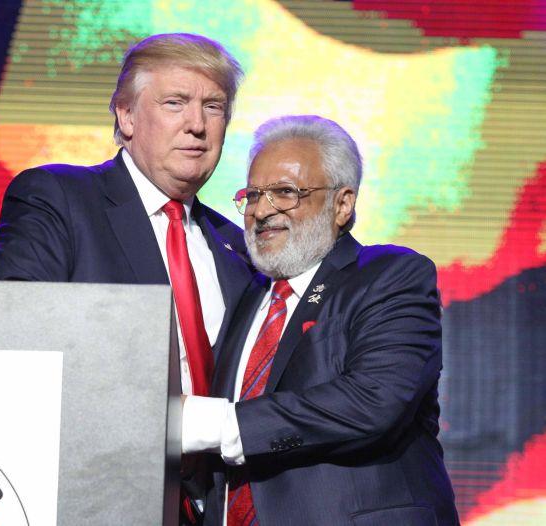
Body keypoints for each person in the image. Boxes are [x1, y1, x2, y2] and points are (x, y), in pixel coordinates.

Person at [0, 33, 255, 521]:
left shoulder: (238, 246)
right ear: (126, 116)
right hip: (90, 494)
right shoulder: (58, 199)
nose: (197, 125)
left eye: (214, 108)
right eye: (176, 103)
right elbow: (9, 344)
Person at [182, 115, 459, 526]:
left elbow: (373, 401)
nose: (261, 210)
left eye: (285, 193)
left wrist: (217, 424)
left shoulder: (390, 275)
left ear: (342, 204)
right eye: (253, 194)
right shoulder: (247, 295)